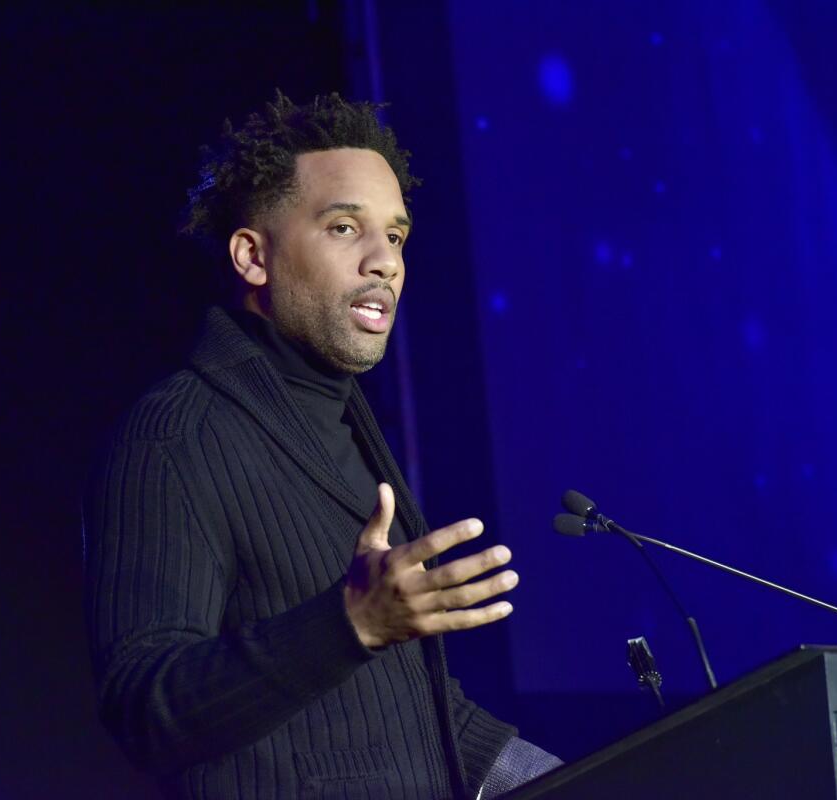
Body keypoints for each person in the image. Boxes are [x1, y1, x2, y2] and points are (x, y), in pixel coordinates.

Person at [82, 93, 561, 799]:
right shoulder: (174, 438)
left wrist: (571, 781)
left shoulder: (348, 428)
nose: (384, 262)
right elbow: (144, 709)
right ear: (254, 255)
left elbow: (402, 716)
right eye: (345, 228)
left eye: (396, 237)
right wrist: (350, 622)